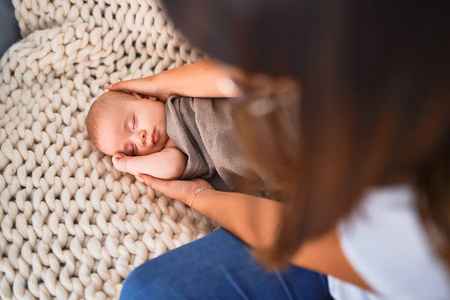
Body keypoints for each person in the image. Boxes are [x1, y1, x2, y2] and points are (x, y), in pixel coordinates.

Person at [113, 1, 450, 299]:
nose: (141, 138)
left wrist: (197, 195)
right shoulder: (378, 45)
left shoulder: (414, 223)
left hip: (340, 244)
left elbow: (291, 232)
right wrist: (158, 85)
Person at [87, 64, 287, 195]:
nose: (141, 139)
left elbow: (220, 80)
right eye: (132, 149)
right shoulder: (172, 150)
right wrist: (130, 164)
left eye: (133, 124)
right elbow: (172, 166)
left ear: (143, 96)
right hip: (263, 160)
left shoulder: (180, 97)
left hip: (264, 112)